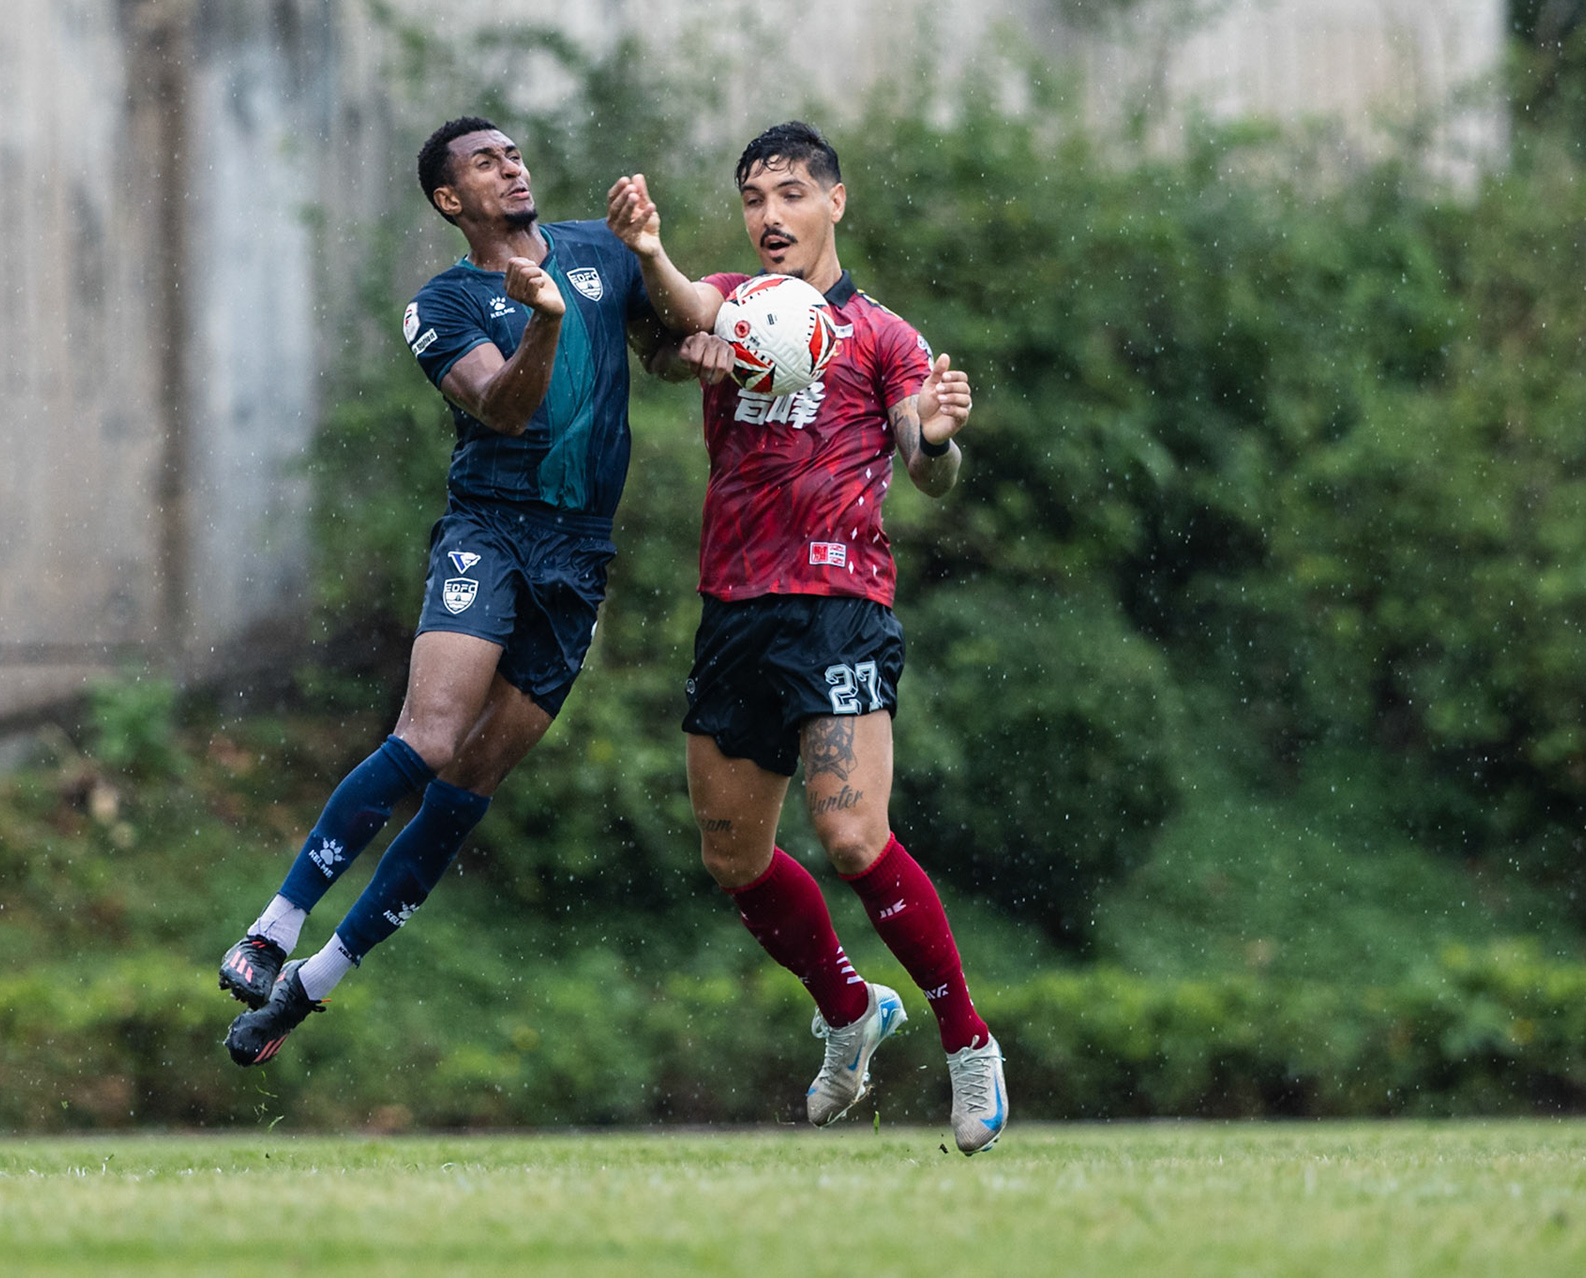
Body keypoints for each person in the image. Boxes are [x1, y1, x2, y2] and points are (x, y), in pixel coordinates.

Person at [220, 116, 672, 1065]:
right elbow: (504, 408)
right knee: (428, 740)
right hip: (492, 532)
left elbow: (668, 340)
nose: (509, 168)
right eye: (484, 164)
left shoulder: (599, 250)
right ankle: (274, 928)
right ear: (449, 200)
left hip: (581, 556)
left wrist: (666, 276)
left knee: (473, 781)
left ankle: (313, 987)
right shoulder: (443, 304)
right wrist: (543, 320)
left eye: (513, 154)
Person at [606, 121, 1008, 1153]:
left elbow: (927, 465)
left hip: (838, 602)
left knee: (851, 837)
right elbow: (686, 315)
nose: (770, 215)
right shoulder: (737, 306)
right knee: (732, 855)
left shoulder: (883, 336)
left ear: (836, 201)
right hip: (735, 607)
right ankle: (847, 1009)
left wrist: (941, 431)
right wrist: (649, 251)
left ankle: (968, 1041)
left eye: (790, 193)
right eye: (753, 197)